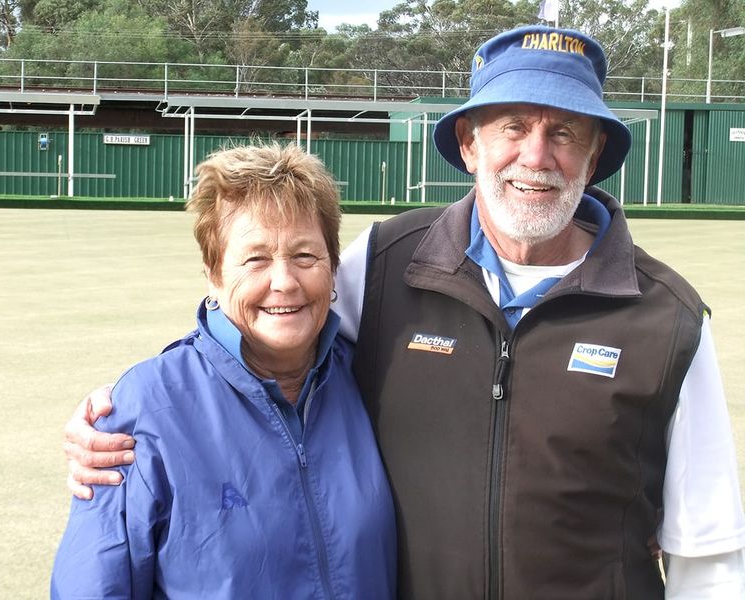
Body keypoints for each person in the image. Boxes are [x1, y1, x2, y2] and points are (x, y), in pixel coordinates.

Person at [63, 26, 745, 599]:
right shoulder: (388, 259)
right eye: (512, 126)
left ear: (594, 155)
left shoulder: (668, 317)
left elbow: (708, 557)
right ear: (470, 144)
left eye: (564, 132)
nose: (536, 155)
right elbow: (266, 326)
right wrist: (137, 411)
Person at [51, 143, 397, 598]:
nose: (284, 281)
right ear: (213, 275)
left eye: (305, 256)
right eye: (255, 259)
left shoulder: (375, 378)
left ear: (333, 269)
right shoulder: (144, 409)